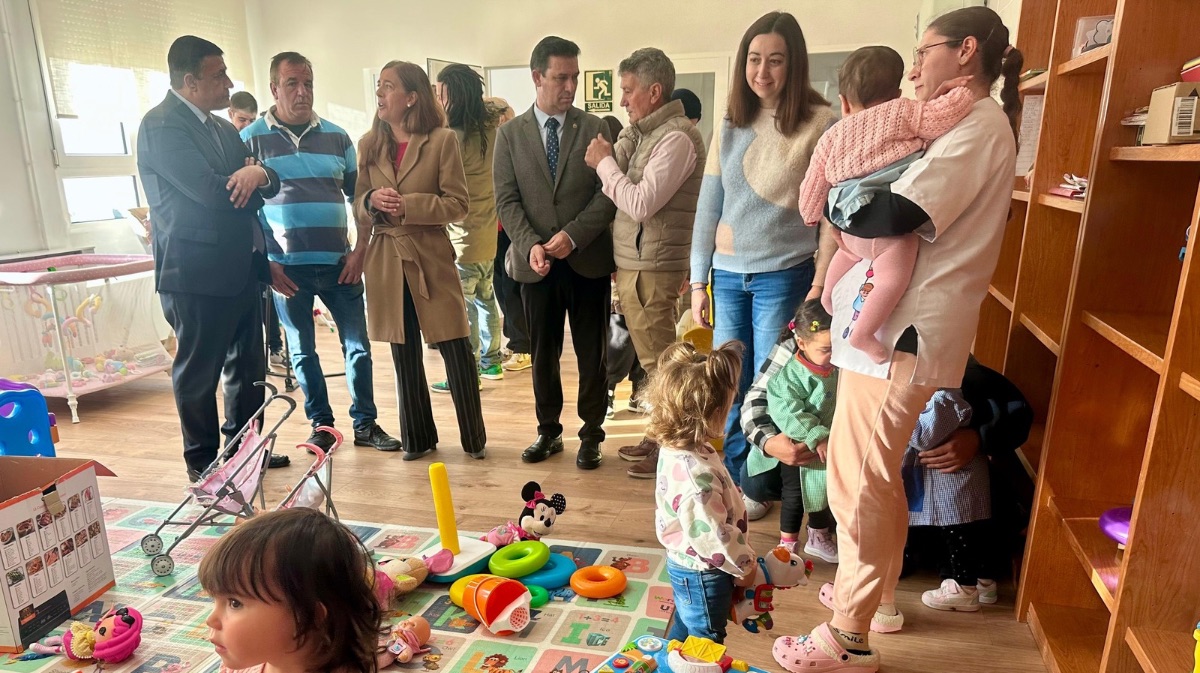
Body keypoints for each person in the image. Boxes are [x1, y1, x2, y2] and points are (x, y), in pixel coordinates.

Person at [772, 7, 1022, 671]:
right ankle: (874, 598)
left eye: (925, 52)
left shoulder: (980, 123)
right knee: (864, 476)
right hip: (885, 326)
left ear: (967, 51)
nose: (913, 68)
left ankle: (846, 635)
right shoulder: (955, 120)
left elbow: (895, 209)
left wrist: (831, 184)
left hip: (910, 330)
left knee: (862, 479)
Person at [689, 12, 835, 481]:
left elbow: (829, 213)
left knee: (771, 384)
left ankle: (765, 477)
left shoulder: (820, 122)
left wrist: (818, 281)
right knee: (728, 381)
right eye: (753, 60)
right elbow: (708, 206)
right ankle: (737, 474)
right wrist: (698, 281)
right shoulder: (731, 121)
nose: (762, 72)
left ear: (794, 65)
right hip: (727, 275)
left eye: (775, 60)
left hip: (784, 273)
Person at [136, 35, 285, 481]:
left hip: (241, 268)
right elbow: (210, 194)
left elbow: (267, 182)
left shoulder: (222, 127)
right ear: (190, 81)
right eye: (218, 75)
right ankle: (202, 465)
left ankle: (244, 454)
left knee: (249, 369)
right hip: (194, 272)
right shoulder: (161, 126)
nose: (228, 82)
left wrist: (257, 171)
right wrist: (246, 180)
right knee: (200, 373)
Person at [241, 52, 401, 454]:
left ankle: (365, 423)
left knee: (358, 346)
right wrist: (268, 265)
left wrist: (361, 251)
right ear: (274, 89)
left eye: (308, 83)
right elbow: (245, 212)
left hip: (339, 264)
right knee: (302, 350)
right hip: (285, 270)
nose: (302, 92)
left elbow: (360, 199)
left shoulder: (338, 137)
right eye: (292, 83)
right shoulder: (250, 140)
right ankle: (322, 426)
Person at [797, 46, 974, 363]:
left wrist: (810, 215)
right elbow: (948, 115)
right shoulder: (904, 112)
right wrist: (959, 90)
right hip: (881, 227)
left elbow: (813, 180)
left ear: (844, 101)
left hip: (846, 225)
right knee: (893, 272)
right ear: (896, 92)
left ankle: (827, 294)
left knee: (848, 252)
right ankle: (864, 333)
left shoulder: (833, 133)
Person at [493, 36, 617, 470]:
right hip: (536, 266)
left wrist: (572, 235)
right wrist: (531, 247)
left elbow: (608, 195)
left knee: (592, 353)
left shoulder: (598, 128)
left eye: (574, 78)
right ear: (537, 77)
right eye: (561, 77)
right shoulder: (508, 135)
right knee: (542, 353)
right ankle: (548, 431)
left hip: (587, 261)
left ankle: (592, 434)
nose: (570, 87)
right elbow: (507, 200)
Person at [585, 47, 707, 480]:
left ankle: (676, 448)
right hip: (638, 262)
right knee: (654, 361)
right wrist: (620, 146)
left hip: (654, 265)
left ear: (654, 92)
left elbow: (638, 203)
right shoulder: (646, 134)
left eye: (628, 90)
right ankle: (660, 438)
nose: (623, 101)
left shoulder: (675, 138)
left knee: (663, 364)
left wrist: (603, 164)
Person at [354, 60, 485, 461]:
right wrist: (370, 201)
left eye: (388, 87)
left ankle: (473, 440)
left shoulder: (442, 140)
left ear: (411, 97)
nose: (380, 93)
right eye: (379, 86)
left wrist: (408, 205)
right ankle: (418, 438)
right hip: (387, 260)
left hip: (430, 256)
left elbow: (458, 204)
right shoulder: (367, 144)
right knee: (403, 350)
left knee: (455, 346)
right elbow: (357, 204)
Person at [648, 341, 755, 644]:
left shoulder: (680, 447)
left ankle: (671, 657)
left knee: (686, 621)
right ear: (714, 412)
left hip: (688, 563)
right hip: (705, 572)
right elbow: (712, 536)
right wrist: (744, 565)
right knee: (706, 637)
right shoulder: (698, 480)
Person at [199, 508, 380, 673]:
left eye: (234, 603)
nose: (211, 620)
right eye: (214, 600)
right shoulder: (246, 665)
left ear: (309, 615)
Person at [432, 65, 507, 391]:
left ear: (453, 94)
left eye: (441, 92)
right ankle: (491, 363)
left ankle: (468, 371)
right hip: (488, 234)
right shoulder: (493, 131)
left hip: (462, 237)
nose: (437, 98)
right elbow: (499, 105)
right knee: (486, 298)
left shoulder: (452, 138)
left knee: (463, 308)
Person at [763, 300, 837, 562]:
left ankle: (819, 535)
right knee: (794, 496)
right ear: (802, 343)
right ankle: (788, 542)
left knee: (825, 491)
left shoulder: (838, 369)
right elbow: (788, 412)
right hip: (800, 447)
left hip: (830, 446)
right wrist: (817, 435)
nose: (833, 354)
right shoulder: (789, 377)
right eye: (826, 349)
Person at [486, 99, 533, 374]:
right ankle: (516, 341)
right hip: (493, 227)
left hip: (511, 227)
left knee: (511, 288)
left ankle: (523, 346)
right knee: (500, 285)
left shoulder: (513, 142)